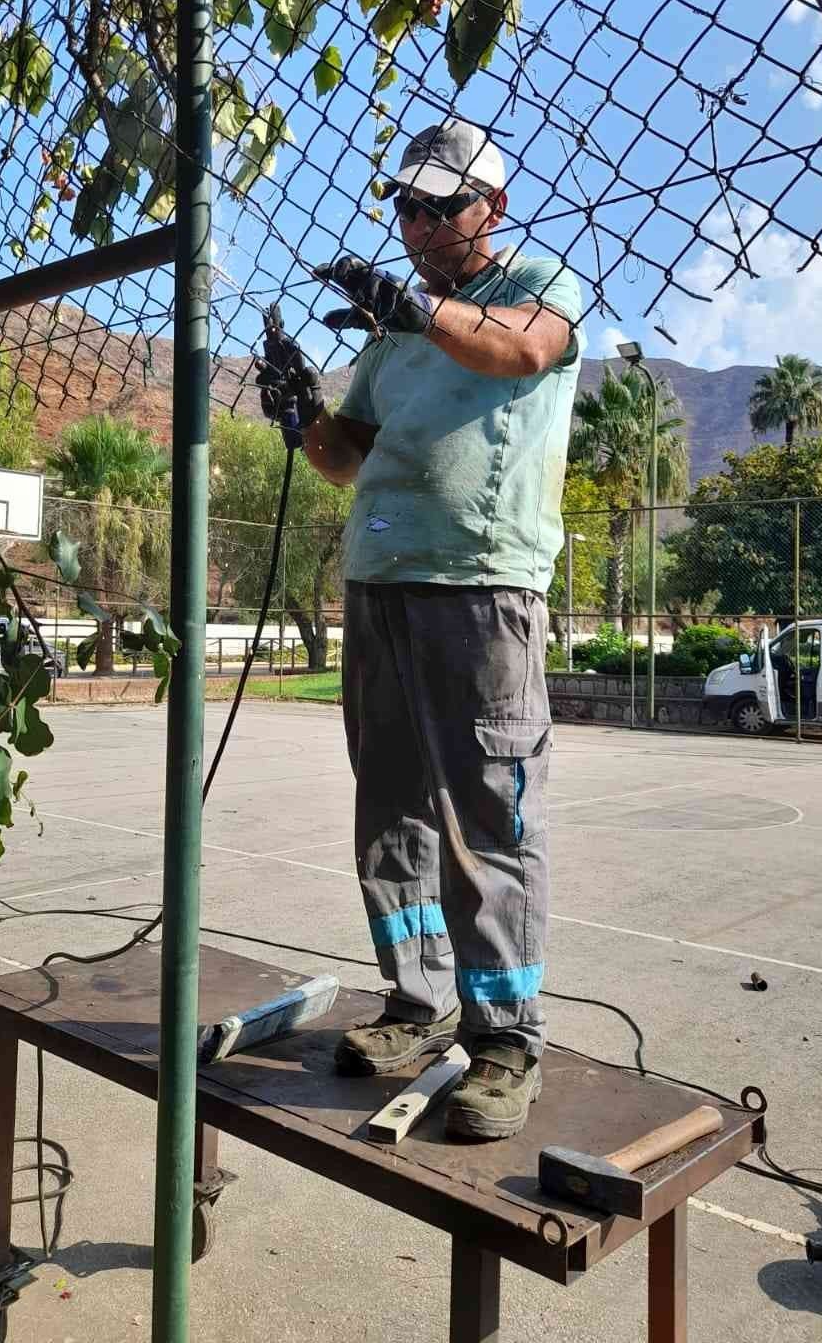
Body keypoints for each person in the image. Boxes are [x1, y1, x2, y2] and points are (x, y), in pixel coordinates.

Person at [256, 118, 583, 1140]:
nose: (415, 220)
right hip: (380, 577)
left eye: (439, 204)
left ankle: (505, 1039)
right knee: (389, 801)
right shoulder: (390, 339)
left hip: (481, 581)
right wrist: (299, 408)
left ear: (493, 206)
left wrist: (412, 304)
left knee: (485, 809)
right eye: (404, 203)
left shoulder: (541, 285)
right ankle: (418, 999)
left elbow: (518, 349)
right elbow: (345, 457)